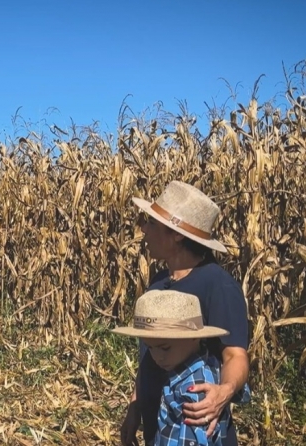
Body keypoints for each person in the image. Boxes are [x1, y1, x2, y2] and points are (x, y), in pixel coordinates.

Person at [119, 181, 250, 446]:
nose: (144, 229)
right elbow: (149, 351)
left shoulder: (217, 285)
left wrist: (223, 392)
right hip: (161, 431)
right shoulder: (158, 280)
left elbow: (235, 355)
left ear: (177, 235)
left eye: (152, 224)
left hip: (195, 431)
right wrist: (135, 407)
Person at [113, 289, 235, 445]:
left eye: (165, 348)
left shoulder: (195, 389)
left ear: (194, 338)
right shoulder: (192, 369)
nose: (157, 357)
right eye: (149, 348)